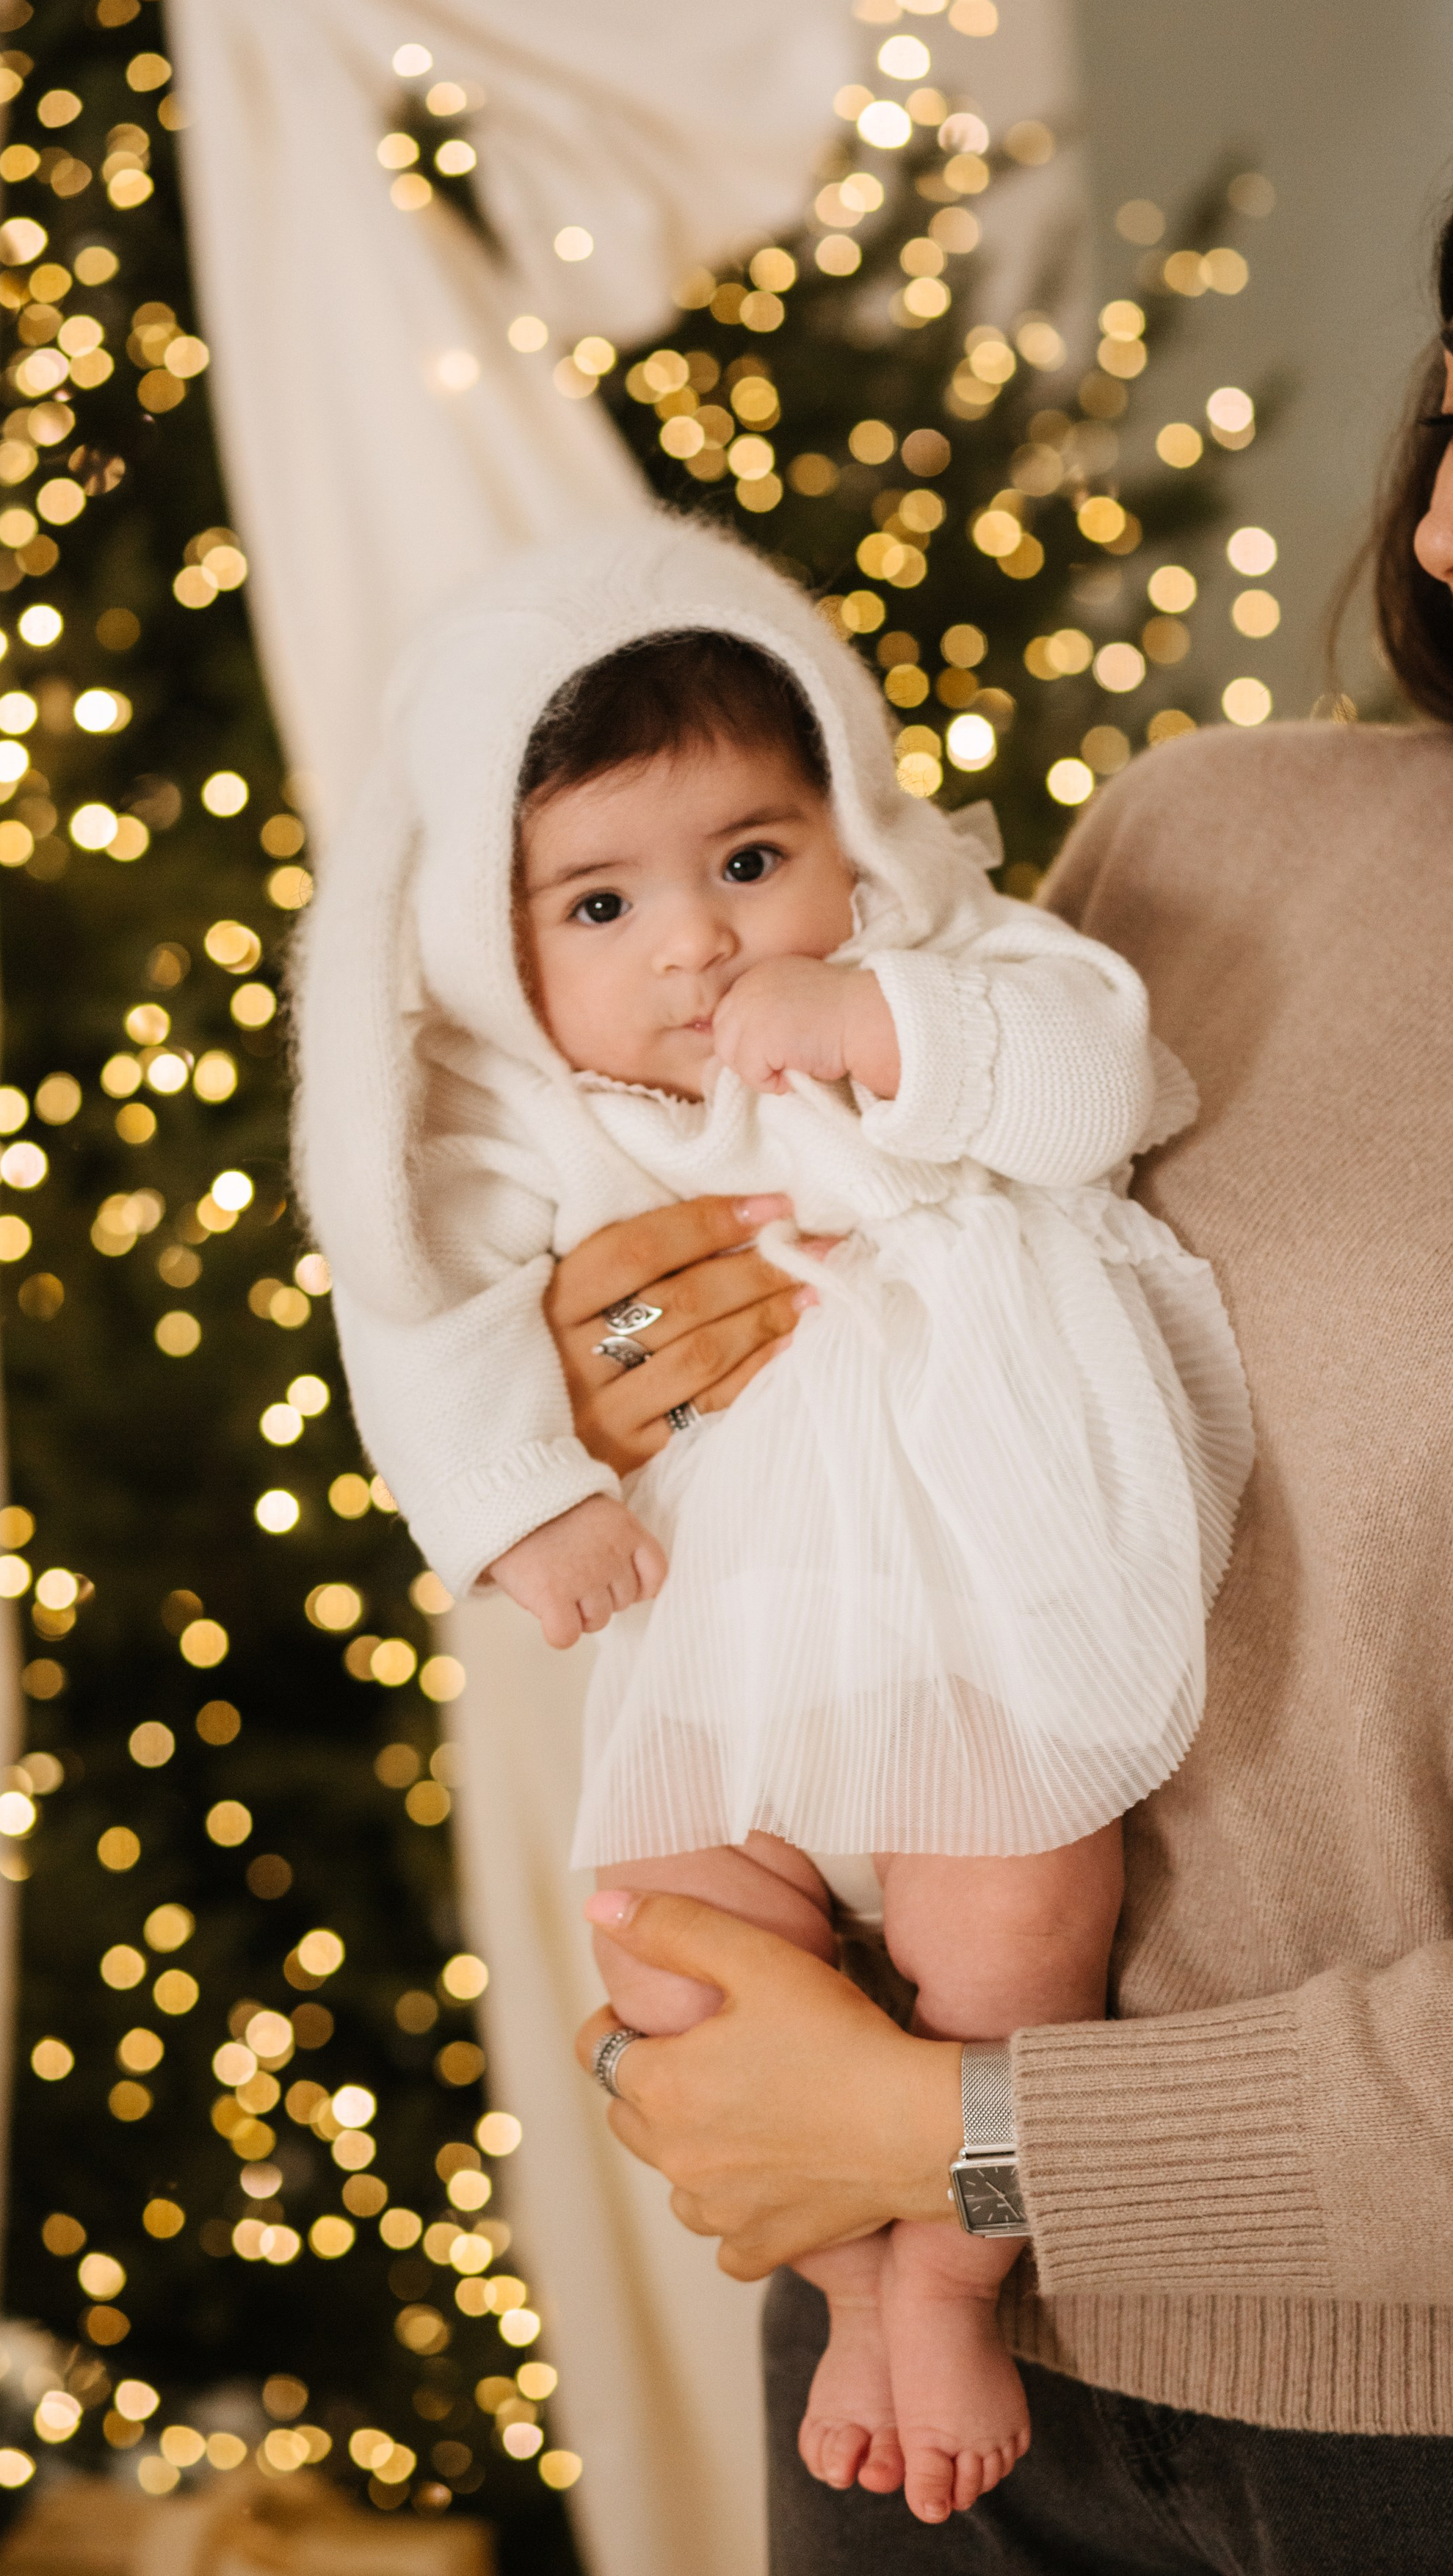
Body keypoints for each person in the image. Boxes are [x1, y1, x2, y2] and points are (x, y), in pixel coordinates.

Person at [554, 74, 1453, 2572]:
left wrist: (950, 2136)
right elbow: (912, 1342)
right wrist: (636, 1373)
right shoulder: (1206, 841)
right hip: (943, 2392)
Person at [297, 515, 1252, 2525]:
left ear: (838, 815)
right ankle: (847, 2269)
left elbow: (1106, 1079)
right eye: (603, 902)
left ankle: (951, 2272)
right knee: (659, 1933)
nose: (700, 942)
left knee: (1022, 1903)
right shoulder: (509, 1105)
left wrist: (892, 1034)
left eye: (748, 859)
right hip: (728, 1623)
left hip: (989, 1569)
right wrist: (518, 1500)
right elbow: (417, 1302)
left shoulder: (941, 951)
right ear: (490, 934)